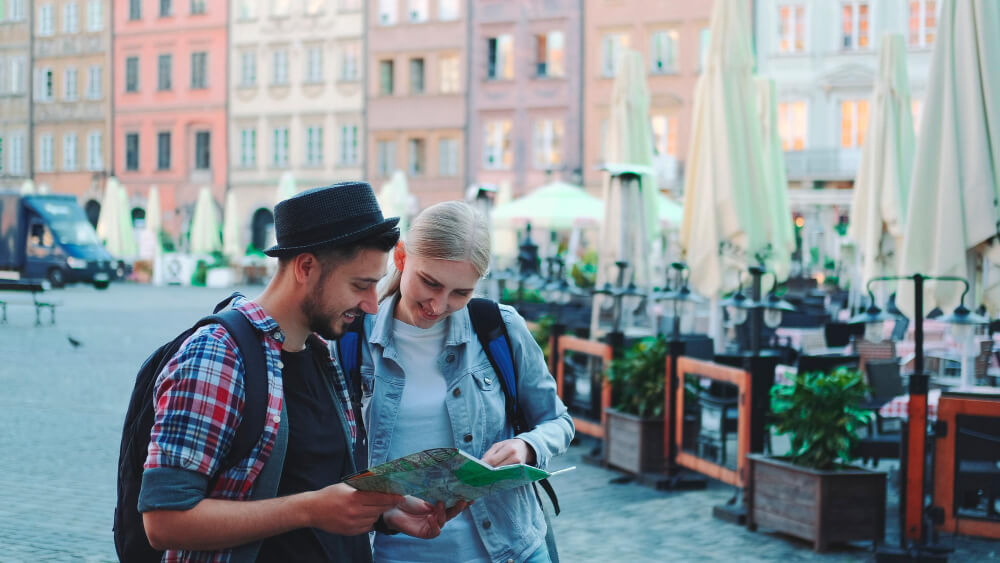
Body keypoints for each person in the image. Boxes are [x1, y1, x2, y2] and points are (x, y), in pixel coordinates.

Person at [139, 182, 467, 563]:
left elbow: (316, 485)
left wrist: (384, 513)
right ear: (306, 267)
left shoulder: (321, 351)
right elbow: (163, 522)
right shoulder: (218, 354)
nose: (372, 305)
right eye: (360, 285)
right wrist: (309, 509)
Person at [359, 201, 575, 563]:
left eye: (461, 293)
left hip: (511, 551)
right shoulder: (351, 339)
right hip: (394, 554)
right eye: (430, 282)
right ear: (400, 257)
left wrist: (527, 447)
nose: (439, 305)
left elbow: (559, 422)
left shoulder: (498, 327)